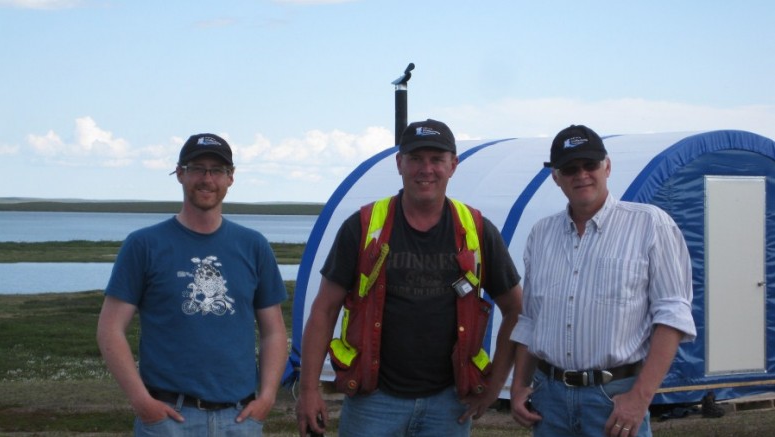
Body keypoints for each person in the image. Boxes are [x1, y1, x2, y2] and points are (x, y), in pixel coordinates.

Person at [295, 119, 523, 437]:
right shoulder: (362, 226)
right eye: (415, 158)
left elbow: (515, 309)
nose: (425, 169)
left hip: (448, 405)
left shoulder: (476, 230)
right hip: (373, 401)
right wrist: (308, 389)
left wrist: (496, 386)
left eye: (436, 159)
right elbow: (324, 309)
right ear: (399, 163)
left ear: (453, 165)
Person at [509, 125, 697, 437]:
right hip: (549, 399)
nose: (581, 174)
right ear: (556, 177)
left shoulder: (650, 225)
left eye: (590, 165)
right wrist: (518, 386)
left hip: (614, 398)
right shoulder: (541, 234)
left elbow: (673, 316)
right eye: (569, 168)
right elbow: (531, 320)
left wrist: (639, 398)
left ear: (607, 167)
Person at [96, 133, 288, 436]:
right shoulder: (143, 245)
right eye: (197, 168)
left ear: (231, 178)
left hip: (240, 419)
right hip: (168, 419)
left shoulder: (254, 246)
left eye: (218, 170)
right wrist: (141, 401)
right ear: (181, 174)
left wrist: (267, 397)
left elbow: (274, 332)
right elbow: (110, 329)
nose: (207, 178)